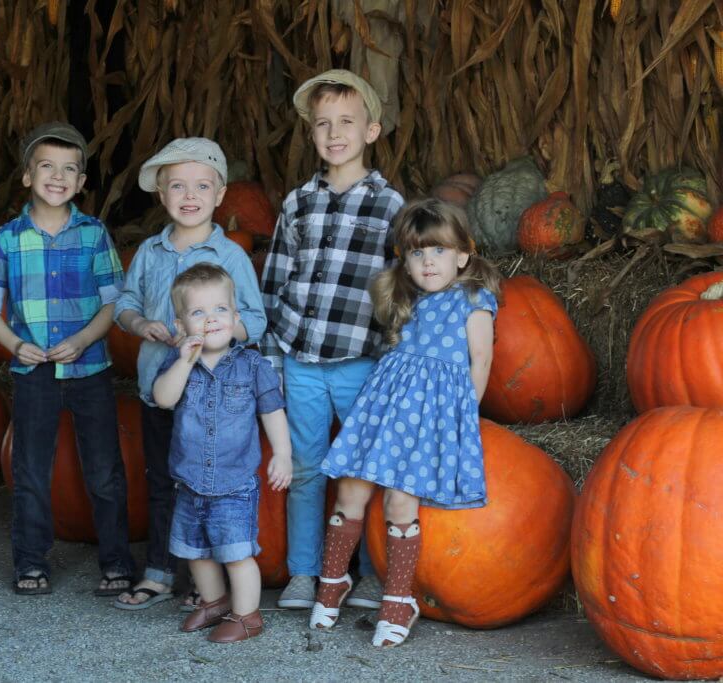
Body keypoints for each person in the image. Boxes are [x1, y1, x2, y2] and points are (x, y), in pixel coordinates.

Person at [309, 198, 501, 647]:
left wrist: (459, 421)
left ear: (462, 255)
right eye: (417, 253)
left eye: (438, 251)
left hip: (430, 417)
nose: (428, 262)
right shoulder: (406, 298)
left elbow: (482, 361)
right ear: (405, 260)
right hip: (385, 407)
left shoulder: (473, 300)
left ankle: (399, 598)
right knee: (350, 491)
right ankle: (333, 581)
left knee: (399, 503)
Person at [261, 69, 405, 610]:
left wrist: (394, 359)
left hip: (361, 361)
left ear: (372, 130)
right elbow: (276, 279)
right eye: (323, 124)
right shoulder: (298, 203)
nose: (334, 132)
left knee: (364, 470)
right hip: (300, 358)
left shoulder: (391, 206)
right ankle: (305, 574)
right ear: (312, 134)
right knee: (304, 469)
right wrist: (273, 354)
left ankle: (366, 575)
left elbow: (400, 291)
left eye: (347, 122)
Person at [0, 122, 134, 597]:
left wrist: (84, 338)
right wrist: (13, 344)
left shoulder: (93, 234)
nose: (58, 176)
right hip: (33, 371)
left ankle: (117, 563)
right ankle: (30, 563)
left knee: (105, 471)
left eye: (70, 170)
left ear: (81, 183)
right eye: (47, 166)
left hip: (89, 370)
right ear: (27, 176)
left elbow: (115, 303)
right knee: (30, 471)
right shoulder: (9, 238)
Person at [113, 138, 268, 610]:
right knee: (163, 482)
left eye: (202, 185)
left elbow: (256, 321)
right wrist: (141, 324)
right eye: (177, 185)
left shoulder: (233, 258)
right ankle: (160, 573)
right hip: (160, 389)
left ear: (220, 195)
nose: (189, 195)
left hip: (214, 401)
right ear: (162, 195)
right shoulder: (150, 253)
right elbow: (124, 304)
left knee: (208, 486)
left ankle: (208, 586)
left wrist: (221, 327)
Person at [151, 263, 292, 642]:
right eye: (198, 312)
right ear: (181, 324)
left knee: (235, 552)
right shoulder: (179, 363)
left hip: (234, 482)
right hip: (190, 481)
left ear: (236, 317)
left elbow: (272, 411)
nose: (211, 319)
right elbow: (163, 399)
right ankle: (213, 602)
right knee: (194, 550)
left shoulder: (252, 365)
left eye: (219, 310)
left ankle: (247, 616)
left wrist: (282, 454)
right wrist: (184, 358)